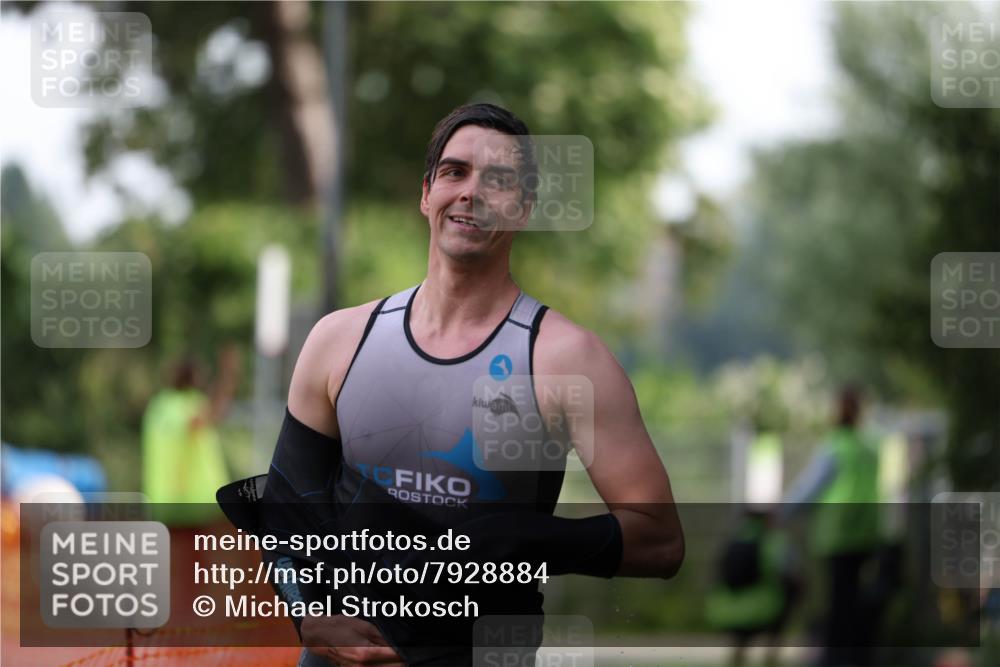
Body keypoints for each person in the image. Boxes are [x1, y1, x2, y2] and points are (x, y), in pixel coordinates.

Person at [234, 103, 685, 666]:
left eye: (498, 181)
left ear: (523, 210)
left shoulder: (568, 359)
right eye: (455, 172)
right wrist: (308, 612)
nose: (471, 192)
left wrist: (516, 543)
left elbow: (660, 540)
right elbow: (285, 510)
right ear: (427, 194)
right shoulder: (339, 340)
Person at [781, 385, 881, 667]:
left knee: (838, 600)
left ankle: (835, 657)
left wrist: (781, 513)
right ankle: (855, 655)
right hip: (866, 531)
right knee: (854, 597)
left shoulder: (835, 445)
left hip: (838, 532)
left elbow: (810, 487)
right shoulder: (868, 447)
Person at [143, 344, 240, 524]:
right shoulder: (174, 406)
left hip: (178, 505)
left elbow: (213, 412)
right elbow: (203, 419)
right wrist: (227, 377)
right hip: (187, 507)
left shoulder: (161, 405)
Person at [706, 508, 801, 667]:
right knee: (783, 610)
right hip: (766, 607)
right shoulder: (775, 541)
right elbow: (789, 573)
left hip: (728, 610)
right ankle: (771, 661)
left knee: (740, 645)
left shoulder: (732, 541)